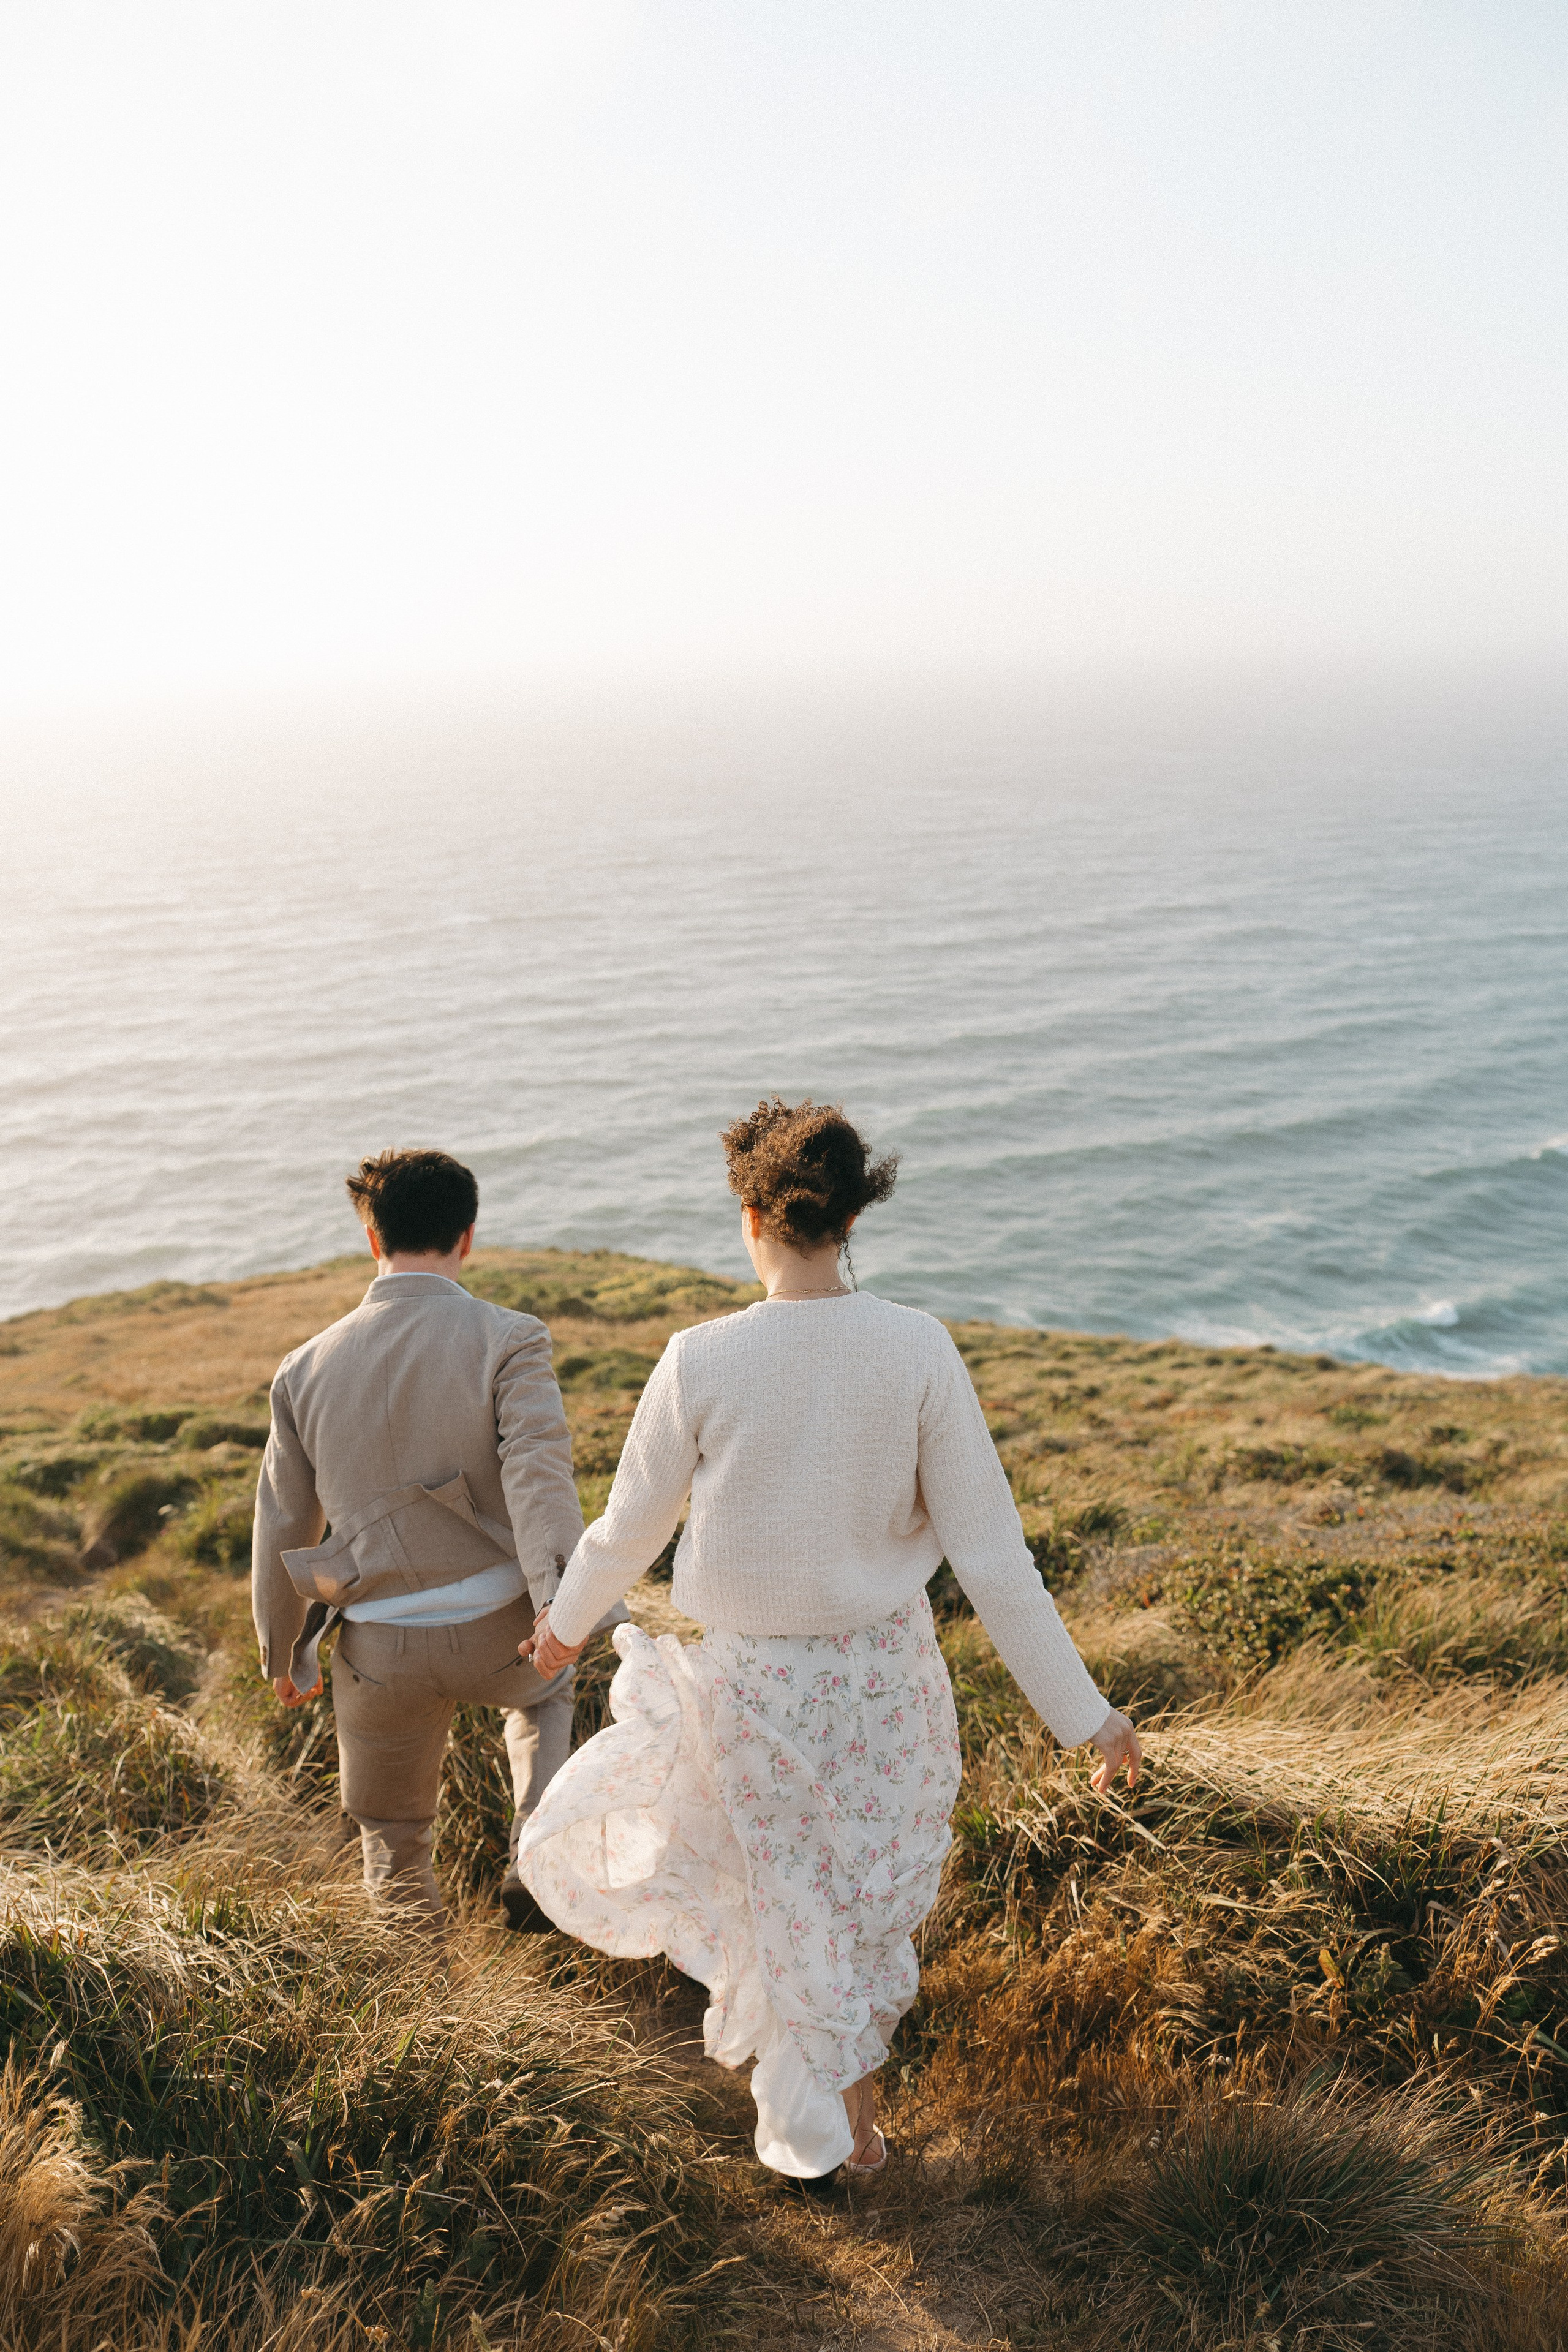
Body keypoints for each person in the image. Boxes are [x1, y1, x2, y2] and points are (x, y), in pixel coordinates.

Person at [514, 1099, 1140, 2188]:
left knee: (787, 1909)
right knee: (854, 1913)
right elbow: (995, 1564)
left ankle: (832, 2138)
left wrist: (561, 1630)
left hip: (753, 1690)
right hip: (885, 1688)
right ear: (853, 1217)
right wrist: (1090, 1718)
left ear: (751, 1215)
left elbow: (625, 1533)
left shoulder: (698, 1360)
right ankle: (850, 2137)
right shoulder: (918, 1350)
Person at [251, 1147, 612, 1931]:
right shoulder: (510, 1338)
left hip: (379, 1649)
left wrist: (283, 1654)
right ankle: (533, 1851)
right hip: (501, 1635)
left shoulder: (301, 1369)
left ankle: (425, 2011)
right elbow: (540, 1476)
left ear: (372, 1240)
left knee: (393, 1836)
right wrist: (557, 1606)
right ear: (468, 1237)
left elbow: (283, 1520)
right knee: (549, 1697)